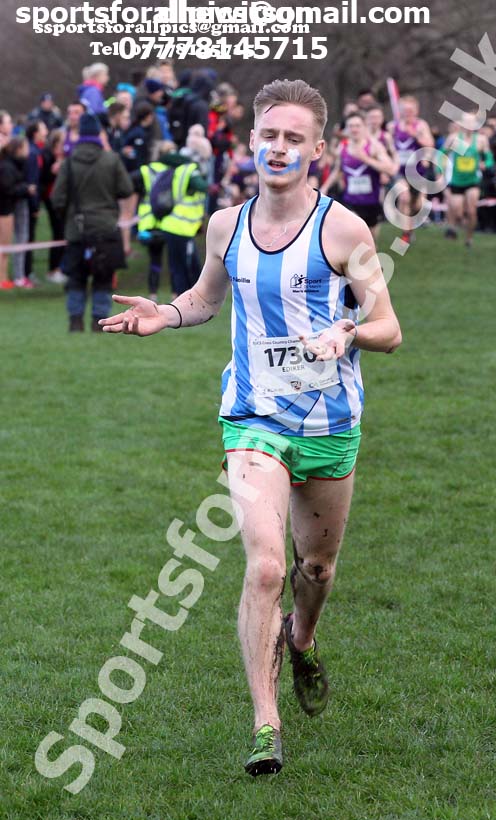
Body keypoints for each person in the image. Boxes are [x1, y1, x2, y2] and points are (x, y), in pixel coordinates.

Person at [98, 79, 402, 775]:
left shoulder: (344, 231)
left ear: (317, 150)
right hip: (253, 416)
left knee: (315, 568)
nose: (279, 148)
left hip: (328, 422)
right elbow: (205, 297)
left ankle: (303, 638)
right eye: (269, 135)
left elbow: (388, 326)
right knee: (265, 565)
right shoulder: (224, 226)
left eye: (294, 138)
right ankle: (266, 725)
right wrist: (164, 314)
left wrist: (348, 333)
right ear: (251, 141)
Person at [51, 113, 133, 331]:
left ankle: (75, 321)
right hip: (106, 228)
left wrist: (68, 215)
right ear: (98, 134)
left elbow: (57, 198)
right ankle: (100, 322)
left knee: (76, 277)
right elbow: (126, 189)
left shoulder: (69, 163)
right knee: (103, 277)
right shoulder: (111, 160)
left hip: (77, 228)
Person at [132, 140, 208, 300]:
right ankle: (178, 296)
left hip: (154, 222)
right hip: (175, 222)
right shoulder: (182, 170)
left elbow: (130, 184)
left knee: (158, 262)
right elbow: (201, 187)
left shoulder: (149, 169)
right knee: (180, 264)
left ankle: (154, 294)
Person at [321, 111, 397, 240]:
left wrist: (366, 159)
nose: (354, 129)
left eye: (357, 126)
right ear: (347, 129)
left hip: (371, 202)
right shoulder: (343, 147)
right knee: (354, 235)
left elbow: (391, 169)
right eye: (351, 126)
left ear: (364, 127)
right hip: (350, 201)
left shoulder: (373, 147)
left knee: (370, 242)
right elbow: (338, 170)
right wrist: (325, 187)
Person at [442, 112, 494, 247]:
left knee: (471, 211)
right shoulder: (454, 138)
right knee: (458, 213)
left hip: (473, 181)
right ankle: (458, 227)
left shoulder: (481, 140)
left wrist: (485, 164)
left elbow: (489, 158)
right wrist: (440, 170)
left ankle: (469, 238)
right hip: (457, 181)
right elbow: (441, 153)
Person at [387, 95, 434, 243]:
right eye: (405, 110)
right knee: (404, 197)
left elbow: (430, 144)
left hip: (417, 171)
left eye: (410, 110)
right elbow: (386, 147)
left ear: (416, 111)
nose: (408, 113)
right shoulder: (392, 126)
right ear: (400, 111)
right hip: (400, 171)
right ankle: (406, 235)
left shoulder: (421, 125)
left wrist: (416, 136)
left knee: (418, 205)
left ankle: (410, 228)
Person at [0, 137, 37, 289]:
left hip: (7, 209)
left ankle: (4, 278)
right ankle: (2, 278)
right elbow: (7, 189)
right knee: (4, 245)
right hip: (5, 210)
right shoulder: (7, 167)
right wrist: (25, 189)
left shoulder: (10, 165)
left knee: (6, 245)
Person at [23, 120, 48, 285]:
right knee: (28, 237)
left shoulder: (36, 150)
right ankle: (26, 272)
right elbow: (33, 181)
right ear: (35, 133)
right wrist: (35, 205)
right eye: (43, 128)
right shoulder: (33, 153)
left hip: (31, 201)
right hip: (29, 203)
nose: (46, 132)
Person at [41, 128, 67, 283]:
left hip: (64, 199)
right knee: (58, 232)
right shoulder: (48, 157)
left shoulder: (66, 156)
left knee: (63, 233)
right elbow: (45, 178)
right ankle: (53, 269)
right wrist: (54, 171)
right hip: (52, 199)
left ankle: (61, 267)